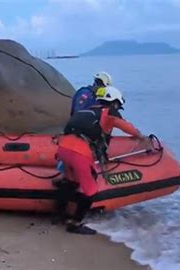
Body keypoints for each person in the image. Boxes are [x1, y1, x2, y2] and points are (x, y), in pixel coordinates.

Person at [57, 86, 151, 235]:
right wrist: (141, 137)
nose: (117, 108)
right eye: (118, 105)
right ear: (113, 103)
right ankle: (75, 224)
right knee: (90, 190)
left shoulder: (86, 111)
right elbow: (127, 127)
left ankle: (59, 216)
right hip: (79, 153)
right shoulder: (109, 113)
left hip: (62, 149)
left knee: (69, 182)